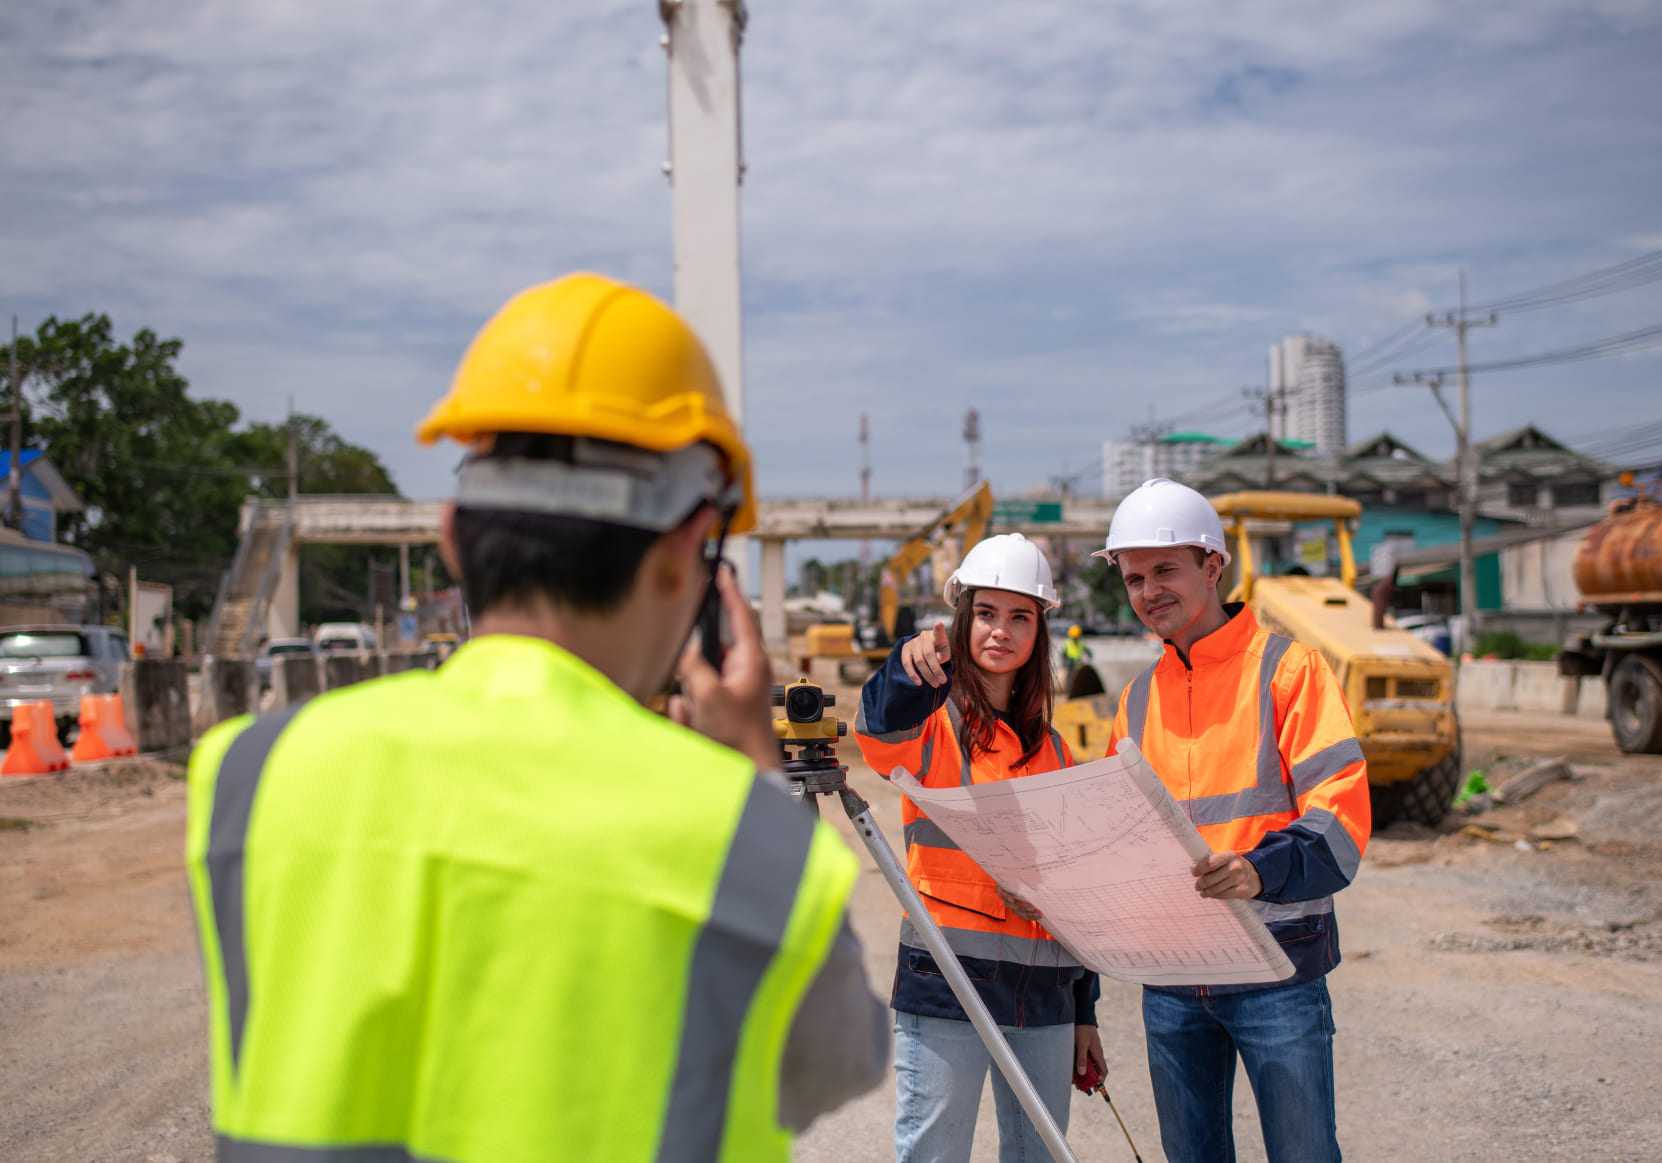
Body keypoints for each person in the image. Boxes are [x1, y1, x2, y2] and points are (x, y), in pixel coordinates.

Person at [183, 273, 888, 1162]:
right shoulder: (730, 832)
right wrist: (751, 758)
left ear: (450, 535)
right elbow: (840, 1062)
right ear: (685, 555)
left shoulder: (254, 773)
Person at [1095, 478, 1371, 1163]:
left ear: (1213, 566)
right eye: (1134, 578)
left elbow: (1341, 815)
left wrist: (1257, 869)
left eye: (1165, 569)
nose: (1149, 590)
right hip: (1174, 979)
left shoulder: (1289, 671)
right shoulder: (1135, 701)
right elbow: (1118, 842)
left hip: (1276, 965)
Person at [853, 533, 1107, 1163]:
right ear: (962, 618)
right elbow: (877, 732)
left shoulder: (1056, 753)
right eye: (987, 613)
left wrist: (1085, 1012)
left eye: (1020, 616)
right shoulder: (932, 729)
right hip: (948, 987)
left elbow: (1076, 894)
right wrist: (905, 664)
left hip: (1044, 999)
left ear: (1039, 630)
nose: (1002, 631)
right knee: (935, 1155)